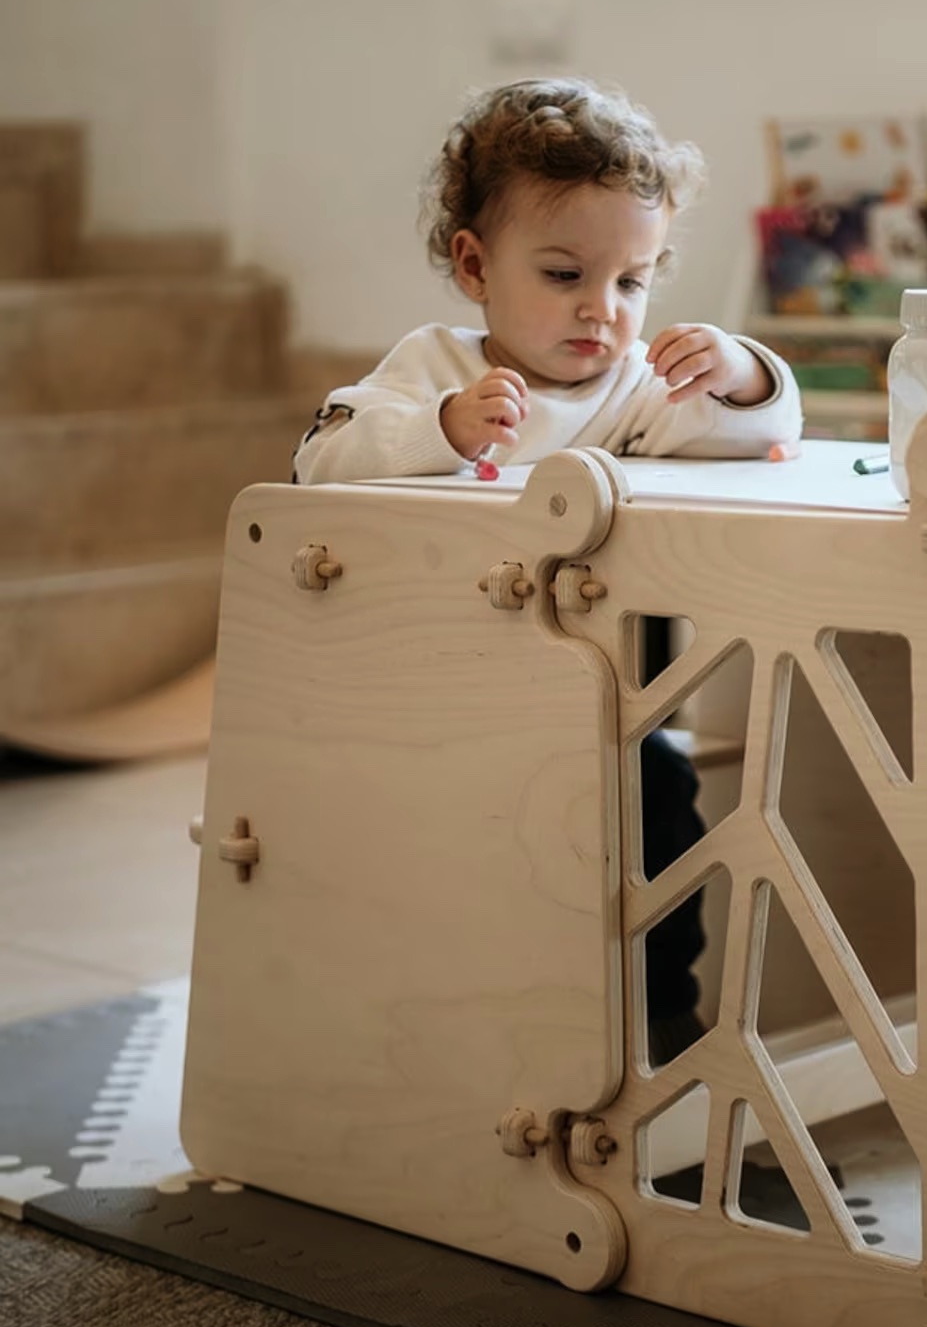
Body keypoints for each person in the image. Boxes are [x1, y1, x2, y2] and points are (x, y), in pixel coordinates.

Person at [294, 77, 803, 1063]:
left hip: (602, 704)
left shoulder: (631, 391)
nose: (601, 311)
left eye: (632, 283)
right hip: (440, 695)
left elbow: (752, 436)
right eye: (566, 273)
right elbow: (322, 458)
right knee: (475, 857)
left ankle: (661, 1015)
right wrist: (443, 430)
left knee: (663, 798)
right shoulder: (433, 368)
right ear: (475, 265)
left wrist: (740, 372)